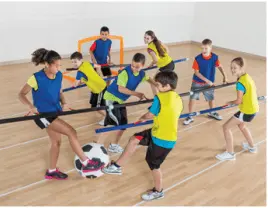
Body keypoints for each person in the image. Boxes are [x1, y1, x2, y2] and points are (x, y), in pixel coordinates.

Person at [18, 48, 104, 180]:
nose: (58, 68)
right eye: (56, 65)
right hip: (42, 115)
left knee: (56, 143)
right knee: (71, 132)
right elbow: (21, 94)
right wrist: (31, 106)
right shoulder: (36, 78)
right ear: (47, 64)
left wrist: (64, 102)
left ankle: (51, 171)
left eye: (60, 65)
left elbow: (59, 92)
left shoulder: (58, 75)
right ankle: (86, 162)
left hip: (54, 112)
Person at [102, 71, 183, 201]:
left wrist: (141, 118)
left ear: (167, 86)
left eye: (158, 85)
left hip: (163, 140)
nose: (156, 87)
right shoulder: (177, 97)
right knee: (134, 139)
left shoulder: (159, 99)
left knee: (154, 166)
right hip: (156, 131)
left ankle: (158, 191)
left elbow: (149, 115)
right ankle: (116, 167)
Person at [216, 57, 259, 161]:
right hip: (253, 109)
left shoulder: (240, 83)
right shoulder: (246, 77)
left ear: (241, 68)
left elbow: (238, 101)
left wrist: (229, 103)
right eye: (231, 68)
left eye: (235, 68)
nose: (232, 70)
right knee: (242, 126)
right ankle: (252, 147)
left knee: (226, 127)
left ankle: (230, 153)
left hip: (246, 111)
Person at [183, 38, 228, 125]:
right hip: (197, 82)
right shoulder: (198, 59)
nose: (203, 50)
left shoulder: (214, 57)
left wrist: (225, 76)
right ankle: (190, 115)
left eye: (206, 48)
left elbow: (220, 66)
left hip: (209, 84)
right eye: (202, 48)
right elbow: (196, 72)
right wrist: (207, 81)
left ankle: (212, 112)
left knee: (211, 98)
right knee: (192, 99)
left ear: (210, 48)